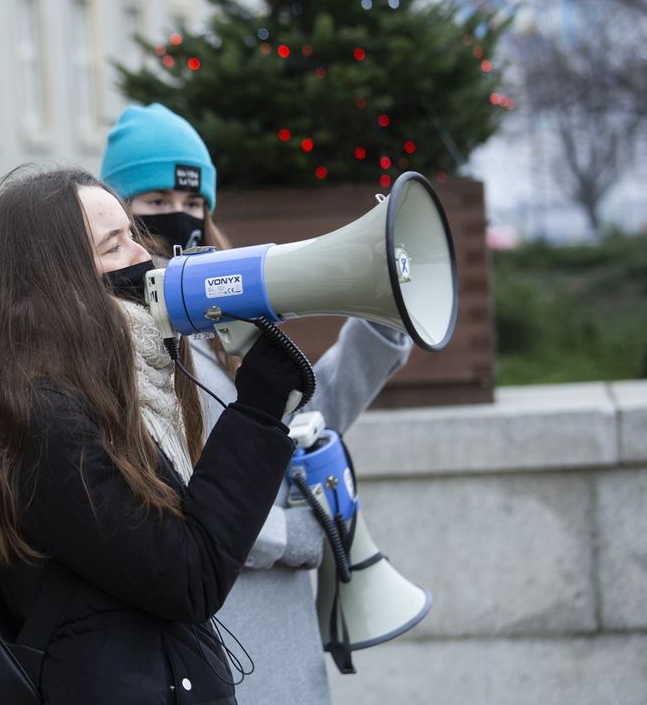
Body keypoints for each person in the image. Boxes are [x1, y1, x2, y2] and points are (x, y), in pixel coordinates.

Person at [0, 165, 309, 704]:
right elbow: (189, 575)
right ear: (56, 279)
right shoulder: (39, 424)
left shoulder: (104, 390)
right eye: (112, 246)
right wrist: (260, 411)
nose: (142, 257)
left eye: (132, 235)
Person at [101, 103, 414, 705]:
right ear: (122, 218)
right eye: (156, 202)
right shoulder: (122, 343)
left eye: (195, 205)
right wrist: (290, 532)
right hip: (222, 625)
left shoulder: (222, 316)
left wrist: (380, 327)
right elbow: (162, 496)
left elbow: (287, 426)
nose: (180, 217)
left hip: (282, 622)